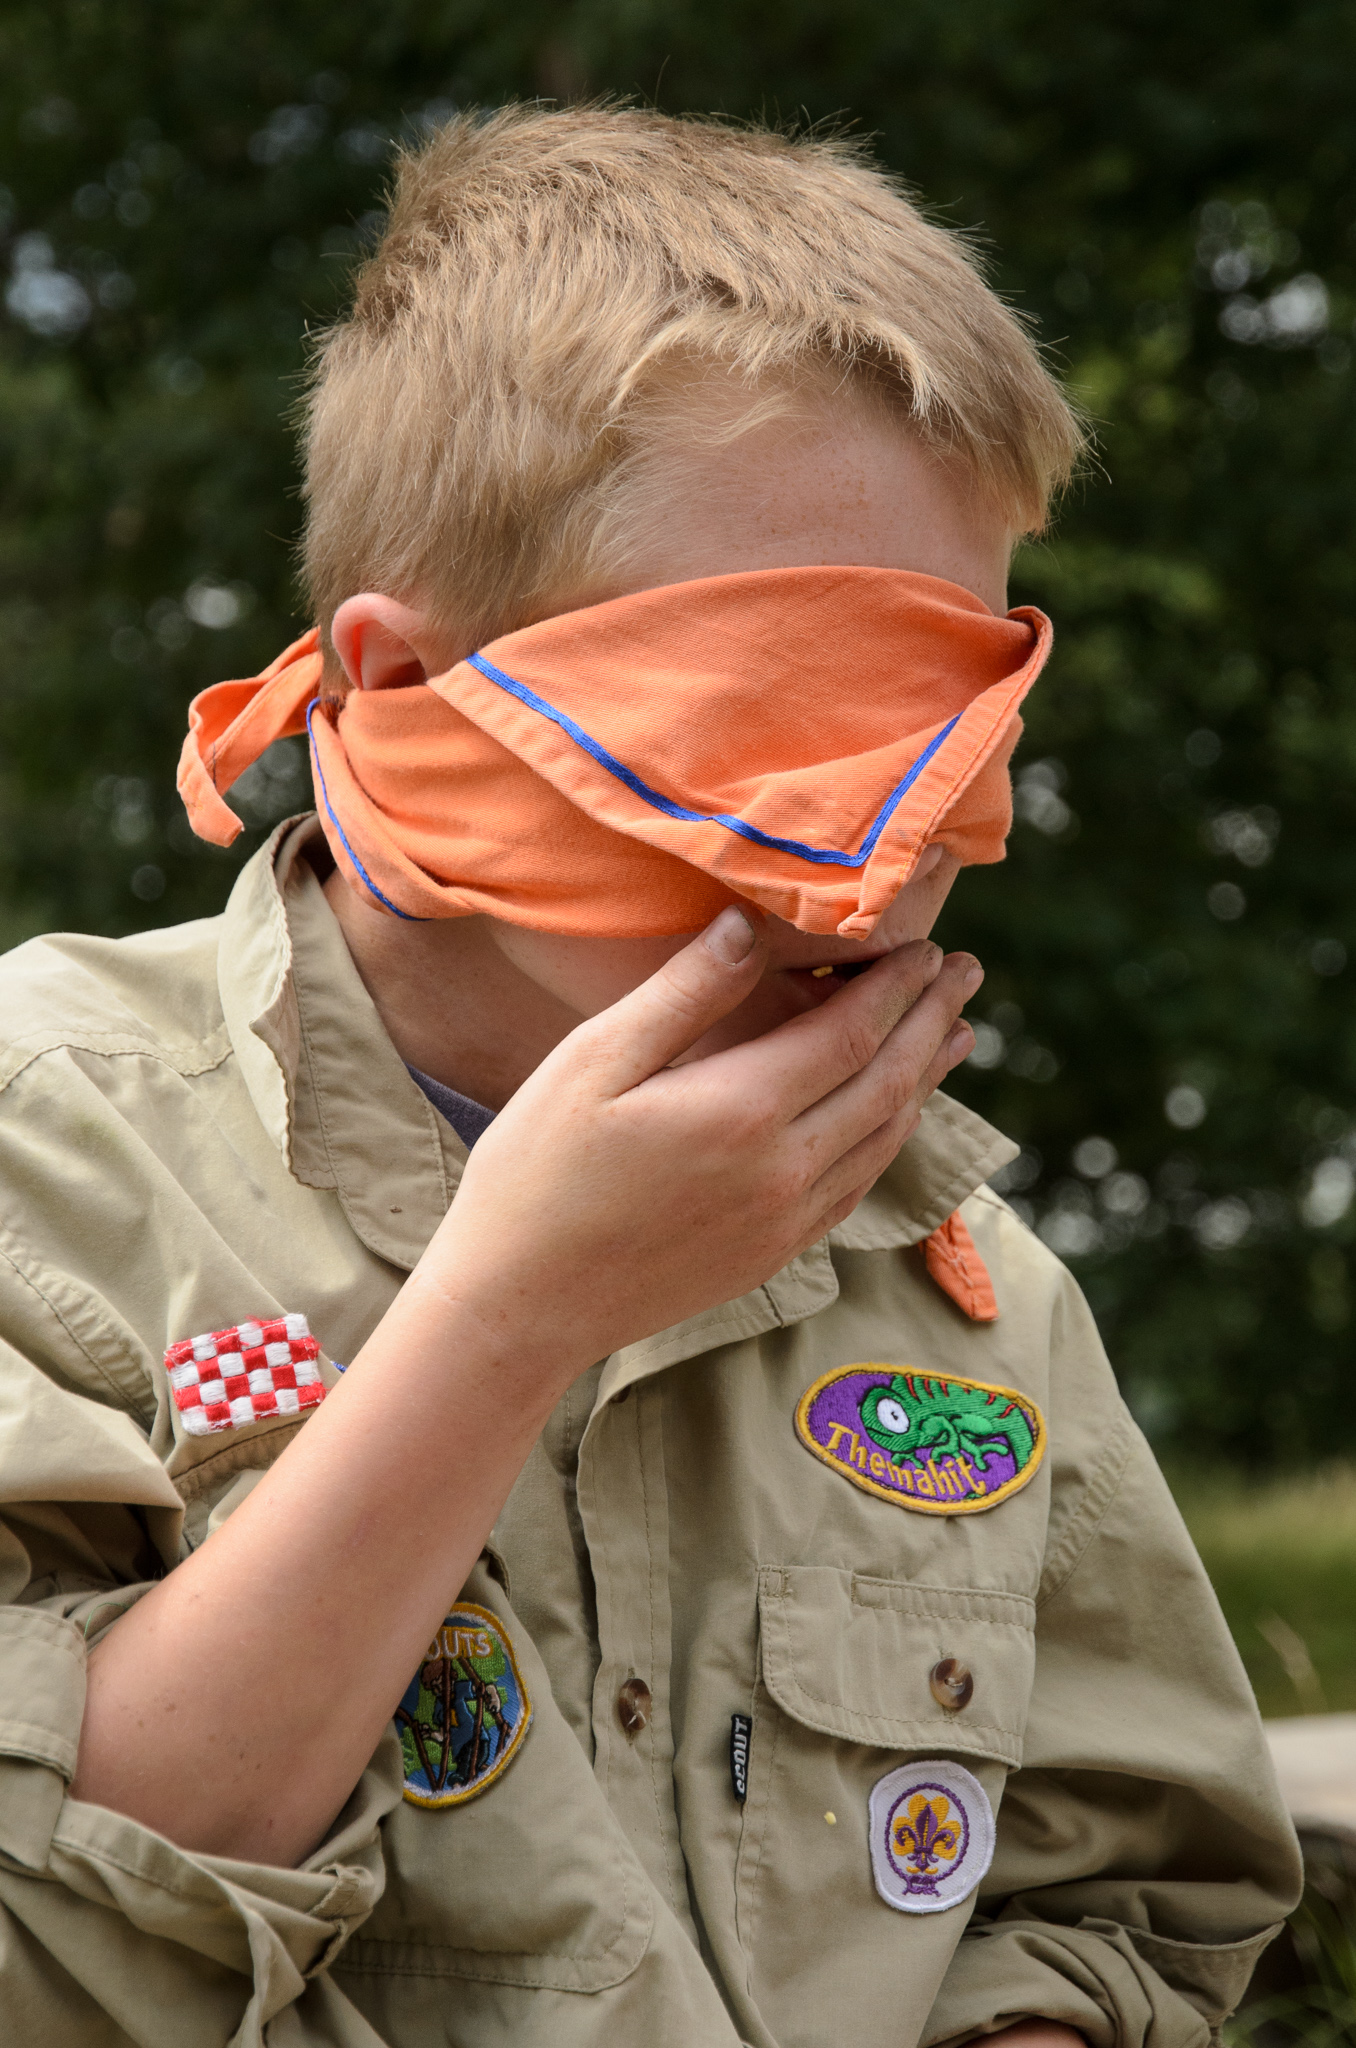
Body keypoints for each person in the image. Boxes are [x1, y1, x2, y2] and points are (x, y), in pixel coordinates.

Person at [0, 104, 1298, 2048]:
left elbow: (1110, 1900)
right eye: (781, 725)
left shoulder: (961, 1281)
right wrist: (510, 1316)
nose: (888, 869)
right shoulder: (51, 1151)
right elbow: (47, 1939)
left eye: (953, 741)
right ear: (407, 693)